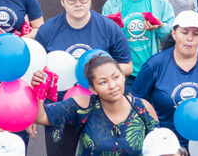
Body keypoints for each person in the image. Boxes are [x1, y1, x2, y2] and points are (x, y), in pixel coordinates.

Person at [34, 0, 133, 156]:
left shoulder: (109, 28)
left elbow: (127, 66)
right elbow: (36, 72)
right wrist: (33, 111)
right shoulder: (47, 31)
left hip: (101, 109)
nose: (78, 3)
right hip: (60, 110)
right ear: (62, 0)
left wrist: (101, 75)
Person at [132, 11, 198, 144]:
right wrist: (153, 128)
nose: (190, 38)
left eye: (196, 34)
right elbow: (136, 101)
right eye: (184, 32)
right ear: (174, 33)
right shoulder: (154, 64)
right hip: (169, 145)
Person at [32, 55, 160, 154]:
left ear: (124, 77)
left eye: (116, 77)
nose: (112, 86)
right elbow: (41, 117)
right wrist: (39, 90)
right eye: (103, 82)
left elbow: (159, 147)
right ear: (92, 89)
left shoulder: (142, 108)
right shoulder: (83, 106)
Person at [102, 0, 175, 91]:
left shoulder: (159, 0)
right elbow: (103, 38)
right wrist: (114, 30)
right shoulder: (113, 4)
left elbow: (172, 34)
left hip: (155, 69)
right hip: (125, 72)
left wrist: (160, 27)